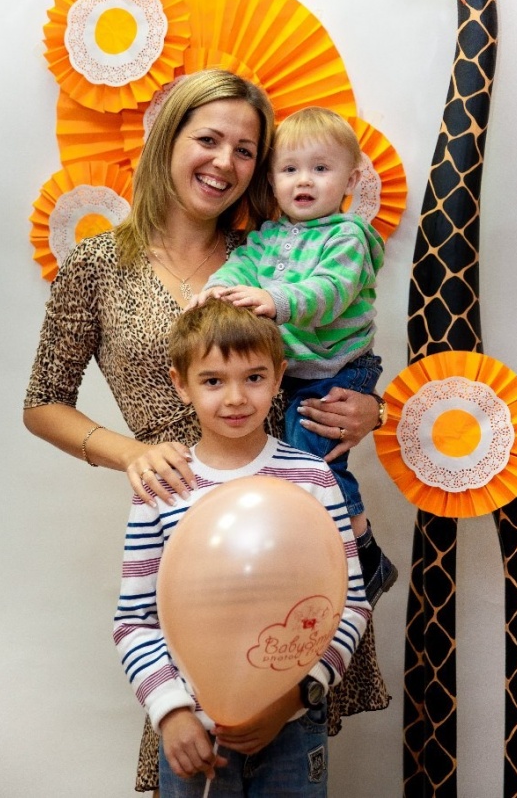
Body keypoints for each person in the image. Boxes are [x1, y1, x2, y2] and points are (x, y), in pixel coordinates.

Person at [23, 70, 389, 793]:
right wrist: (134, 454)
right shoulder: (98, 264)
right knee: (193, 735)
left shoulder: (275, 249)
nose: (225, 162)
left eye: (246, 150)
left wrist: (372, 410)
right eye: (209, 139)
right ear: (168, 138)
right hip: (184, 532)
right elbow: (42, 402)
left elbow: (341, 330)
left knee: (285, 733)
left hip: (289, 538)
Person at [114, 299, 371, 796]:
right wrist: (171, 713)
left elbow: (351, 606)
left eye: (254, 378)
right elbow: (134, 621)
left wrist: (293, 699)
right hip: (193, 735)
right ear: (181, 385)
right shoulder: (163, 487)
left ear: (278, 379)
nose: (235, 398)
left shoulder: (313, 479)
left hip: (293, 729)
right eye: (213, 381)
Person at [194, 107, 397, 607]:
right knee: (287, 465)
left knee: (313, 461)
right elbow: (240, 265)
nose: (303, 180)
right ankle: (323, 559)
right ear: (272, 179)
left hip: (336, 367)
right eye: (289, 169)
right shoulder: (267, 237)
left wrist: (276, 299)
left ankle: (363, 553)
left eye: (320, 168)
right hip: (297, 370)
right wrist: (217, 288)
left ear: (350, 180)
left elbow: (330, 290)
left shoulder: (347, 236)